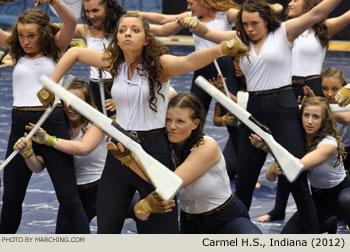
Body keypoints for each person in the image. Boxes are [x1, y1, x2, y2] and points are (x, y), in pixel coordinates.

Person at [48, 12, 247, 233]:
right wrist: (50, 86)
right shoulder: (115, 63)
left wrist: (220, 49)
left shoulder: (159, 66)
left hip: (153, 151)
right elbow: (74, 53)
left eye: (135, 30)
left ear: (146, 39)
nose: (127, 34)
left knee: (163, 232)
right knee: (106, 228)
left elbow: (188, 61)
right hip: (119, 150)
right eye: (122, 30)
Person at [183, 0, 345, 233]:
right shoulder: (240, 40)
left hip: (284, 109)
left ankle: (314, 235)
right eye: (245, 24)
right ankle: (243, 236)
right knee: (245, 182)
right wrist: (193, 24)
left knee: (296, 179)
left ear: (266, 21)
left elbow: (319, 12)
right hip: (255, 112)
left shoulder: (283, 32)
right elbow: (207, 32)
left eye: (254, 23)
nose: (249, 28)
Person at [110, 93, 262, 234]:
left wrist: (130, 160)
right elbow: (152, 178)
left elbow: (172, 183)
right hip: (191, 223)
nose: (172, 126)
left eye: (180, 121)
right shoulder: (164, 149)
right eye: (168, 120)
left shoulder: (207, 146)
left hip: (227, 219)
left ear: (195, 124)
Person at [13, 78, 150, 233]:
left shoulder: (96, 122)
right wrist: (27, 153)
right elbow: (38, 167)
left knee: (145, 214)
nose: (71, 107)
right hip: (73, 195)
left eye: (77, 102)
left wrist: (48, 140)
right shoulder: (57, 128)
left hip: (103, 189)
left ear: (87, 103)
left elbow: (83, 148)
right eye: (67, 101)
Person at [0, 0, 90, 234]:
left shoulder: (57, 49)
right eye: (21, 35)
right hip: (20, 124)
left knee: (68, 197)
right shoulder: (15, 50)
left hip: (52, 122)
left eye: (31, 36)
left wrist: (53, 1)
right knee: (11, 197)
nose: (25, 41)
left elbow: (71, 21)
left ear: (43, 34)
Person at [251, 96, 350, 233]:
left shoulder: (329, 144)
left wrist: (270, 149)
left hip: (340, 193)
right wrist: (268, 149)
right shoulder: (299, 140)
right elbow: (271, 176)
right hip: (318, 197)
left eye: (315, 117)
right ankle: (327, 224)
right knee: (287, 237)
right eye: (306, 115)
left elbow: (299, 165)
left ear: (324, 120)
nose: (309, 121)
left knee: (347, 199)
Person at [73, 0, 125, 115]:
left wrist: (175, 22)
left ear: (108, 8)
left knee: (119, 126)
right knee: (99, 126)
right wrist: (54, 3)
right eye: (87, 11)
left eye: (96, 10)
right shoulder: (85, 30)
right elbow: (65, 24)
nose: (91, 16)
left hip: (118, 84)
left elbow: (163, 29)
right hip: (95, 85)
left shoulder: (122, 30)